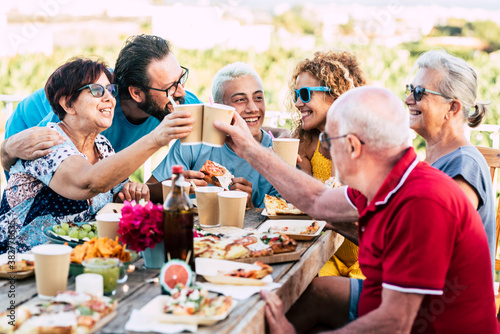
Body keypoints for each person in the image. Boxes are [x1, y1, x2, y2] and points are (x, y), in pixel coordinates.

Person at [214, 86, 498, 333]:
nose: (324, 151)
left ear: (352, 147)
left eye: (327, 141)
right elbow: (317, 201)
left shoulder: (422, 204)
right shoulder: (389, 179)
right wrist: (250, 149)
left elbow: (393, 324)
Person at [0, 58, 194, 254]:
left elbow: (120, 197)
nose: (110, 99)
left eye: (110, 91)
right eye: (97, 91)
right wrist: (156, 139)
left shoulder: (102, 146)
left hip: (75, 260)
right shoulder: (47, 143)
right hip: (18, 266)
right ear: (68, 104)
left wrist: (178, 186)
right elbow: (88, 182)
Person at [1, 34, 201, 174]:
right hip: (30, 124)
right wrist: (8, 149)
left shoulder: (174, 97)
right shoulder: (90, 109)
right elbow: (12, 158)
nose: (181, 91)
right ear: (137, 93)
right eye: (171, 87)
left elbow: (215, 120)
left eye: (181, 79)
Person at [405, 49, 495, 273]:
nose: (408, 100)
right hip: (415, 291)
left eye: (418, 92)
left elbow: (431, 249)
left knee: (316, 293)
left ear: (452, 108)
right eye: (410, 89)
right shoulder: (432, 161)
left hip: (442, 304)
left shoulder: (464, 166)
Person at [147, 62, 279, 208]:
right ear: (218, 108)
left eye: (258, 98)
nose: (253, 108)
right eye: (240, 100)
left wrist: (248, 208)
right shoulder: (194, 142)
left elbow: (284, 221)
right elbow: (148, 192)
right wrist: (177, 187)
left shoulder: (277, 153)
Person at [288, 50, 366, 279]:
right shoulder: (307, 141)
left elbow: (340, 199)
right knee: (302, 282)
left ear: (334, 95)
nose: (298, 103)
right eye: (295, 95)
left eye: (304, 94)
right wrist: (296, 174)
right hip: (328, 253)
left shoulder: (360, 142)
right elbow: (310, 204)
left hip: (365, 257)